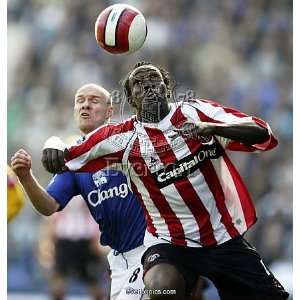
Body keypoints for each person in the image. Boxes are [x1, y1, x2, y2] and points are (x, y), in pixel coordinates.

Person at [41, 61, 288, 300]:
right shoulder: (122, 138)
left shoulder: (196, 112)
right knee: (161, 287)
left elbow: (262, 133)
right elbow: (66, 154)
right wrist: (51, 143)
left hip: (222, 237)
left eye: (153, 80)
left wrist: (213, 128)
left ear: (167, 88)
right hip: (171, 243)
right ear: (131, 98)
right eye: (138, 83)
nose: (147, 86)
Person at [10, 83, 149, 300]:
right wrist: (26, 177)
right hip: (118, 258)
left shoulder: (129, 141)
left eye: (94, 101)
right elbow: (49, 207)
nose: (85, 105)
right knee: (59, 289)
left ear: (110, 112)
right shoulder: (73, 161)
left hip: (149, 249)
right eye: (80, 100)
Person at [37, 194, 106, 300]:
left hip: (86, 241)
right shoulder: (59, 185)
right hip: (64, 240)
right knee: (57, 287)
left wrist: (97, 238)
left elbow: (97, 211)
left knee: (95, 285)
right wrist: (47, 242)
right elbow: (51, 214)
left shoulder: (90, 184)